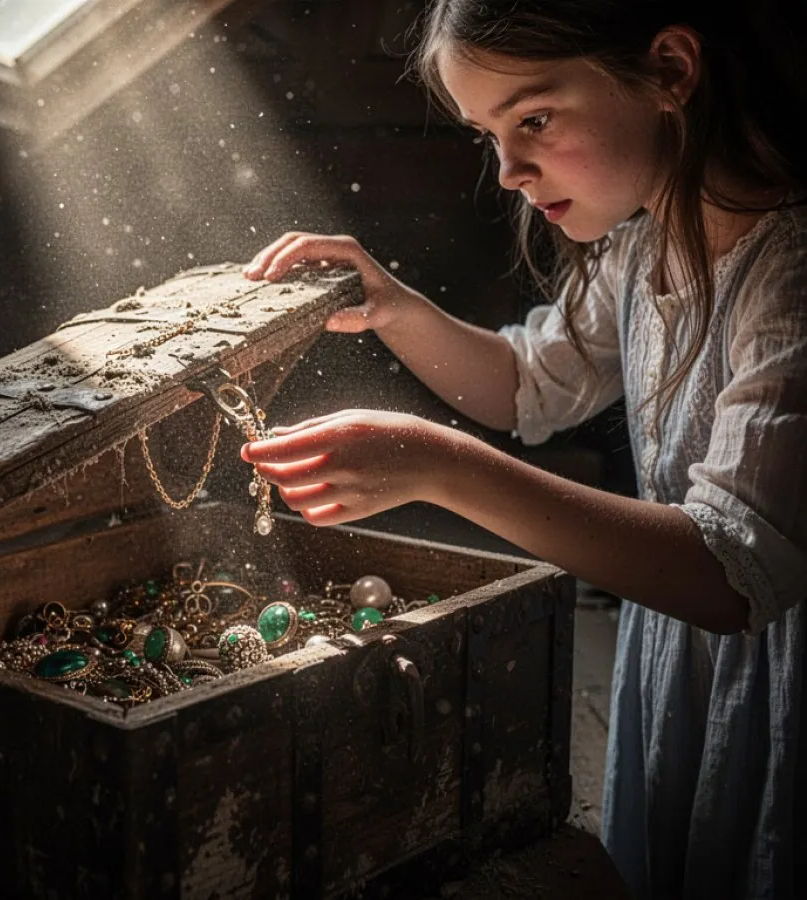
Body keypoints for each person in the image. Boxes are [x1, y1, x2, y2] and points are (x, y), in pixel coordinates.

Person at [240, 1, 807, 897]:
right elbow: (524, 385)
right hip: (679, 672)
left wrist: (438, 464)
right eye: (487, 136)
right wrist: (390, 304)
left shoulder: (789, 274)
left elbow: (728, 576)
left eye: (534, 119)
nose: (508, 169)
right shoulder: (648, 244)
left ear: (669, 69)